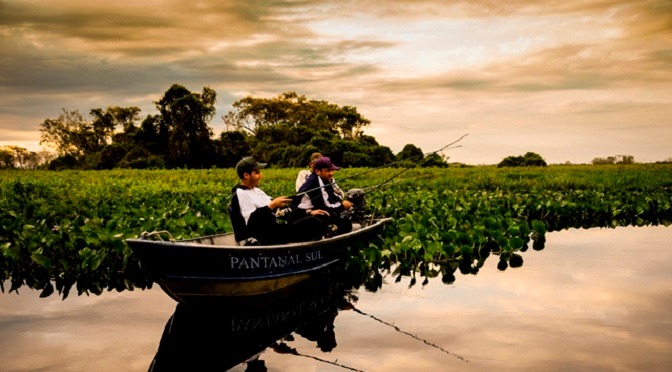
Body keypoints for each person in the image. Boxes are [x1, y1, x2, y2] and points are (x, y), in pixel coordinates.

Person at [229, 156, 329, 246]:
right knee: (312, 223)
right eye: (257, 173)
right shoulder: (240, 194)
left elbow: (282, 211)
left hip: (276, 230)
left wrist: (308, 212)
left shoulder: (257, 191)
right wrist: (271, 206)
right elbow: (251, 223)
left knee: (317, 218)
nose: (261, 176)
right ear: (246, 175)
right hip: (264, 238)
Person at [292, 156, 353, 235]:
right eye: (328, 170)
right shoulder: (314, 182)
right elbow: (323, 205)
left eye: (332, 170)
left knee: (341, 218)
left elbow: (332, 195)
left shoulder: (324, 179)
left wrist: (341, 203)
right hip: (303, 212)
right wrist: (341, 206)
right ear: (317, 171)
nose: (331, 173)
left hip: (314, 208)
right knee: (336, 219)